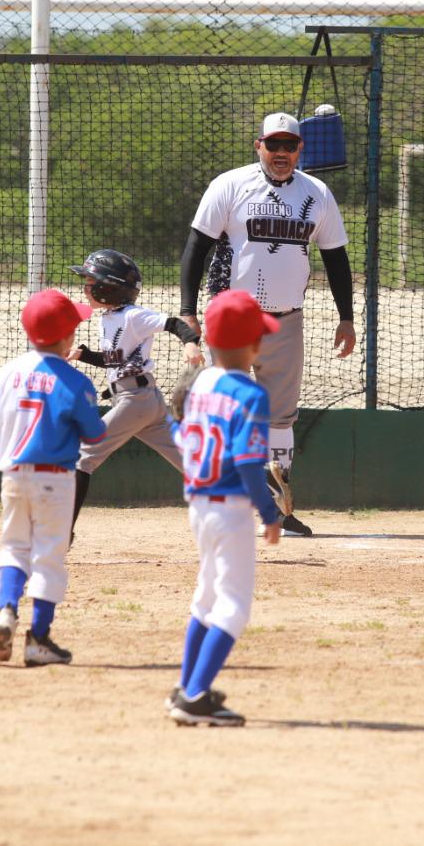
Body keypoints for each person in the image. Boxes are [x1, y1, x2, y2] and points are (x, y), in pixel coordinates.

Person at [179, 112, 355, 537]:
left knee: (280, 419)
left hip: (286, 319)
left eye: (289, 146)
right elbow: (196, 248)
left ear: (300, 149)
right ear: (258, 145)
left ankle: (278, 509)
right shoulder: (230, 185)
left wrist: (346, 317)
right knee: (228, 411)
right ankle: (227, 503)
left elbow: (336, 259)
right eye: (272, 145)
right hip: (231, 319)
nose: (280, 153)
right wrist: (188, 311)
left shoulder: (317, 193)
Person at [167, 290, 286, 726]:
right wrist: (270, 513)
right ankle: (195, 696)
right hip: (231, 506)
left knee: (207, 598)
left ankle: (186, 686)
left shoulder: (199, 384)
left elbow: (177, 431)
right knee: (233, 606)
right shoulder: (251, 395)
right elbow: (248, 461)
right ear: (254, 346)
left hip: (198, 504)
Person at [0, 288, 108, 667]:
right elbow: (95, 435)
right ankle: (39, 639)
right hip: (56, 480)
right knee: (49, 556)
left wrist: (12, 434)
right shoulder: (76, 382)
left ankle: (5, 610)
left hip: (13, 475)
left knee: (14, 548)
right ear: (66, 339)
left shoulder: (10, 370)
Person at [65, 249, 202, 542]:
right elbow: (116, 360)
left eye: (90, 282)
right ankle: (259, 486)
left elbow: (174, 324)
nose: (85, 287)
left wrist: (190, 344)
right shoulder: (110, 318)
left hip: (136, 401)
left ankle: (62, 533)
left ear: (109, 286)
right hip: (141, 398)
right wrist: (84, 355)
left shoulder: (133, 316)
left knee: (82, 457)